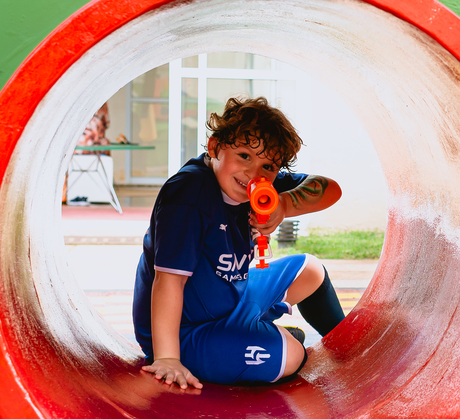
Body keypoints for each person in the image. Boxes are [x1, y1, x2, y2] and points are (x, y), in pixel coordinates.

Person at [132, 96, 345, 389]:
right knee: (292, 354)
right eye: (244, 155)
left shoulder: (260, 185)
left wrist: (284, 204)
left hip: (232, 296)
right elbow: (168, 282)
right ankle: (263, 335)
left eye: (268, 165)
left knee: (310, 270)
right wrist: (168, 359)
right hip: (187, 331)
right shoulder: (188, 196)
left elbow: (331, 189)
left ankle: (349, 349)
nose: (253, 173)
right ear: (215, 147)